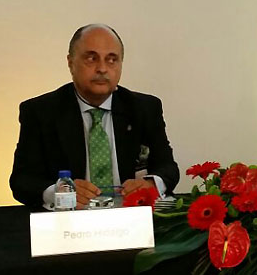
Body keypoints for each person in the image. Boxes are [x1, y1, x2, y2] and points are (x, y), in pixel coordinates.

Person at [10, 24, 180, 209]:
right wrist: (59, 193)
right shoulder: (40, 112)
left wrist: (151, 184)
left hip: (131, 215)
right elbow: (22, 180)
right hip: (68, 218)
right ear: (70, 62)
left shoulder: (144, 108)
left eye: (112, 59)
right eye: (91, 58)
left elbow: (168, 168)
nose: (102, 68)